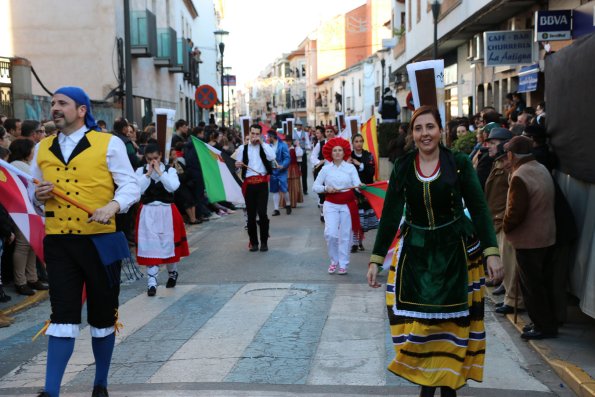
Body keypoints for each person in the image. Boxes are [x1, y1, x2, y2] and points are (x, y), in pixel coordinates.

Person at [367, 106, 503, 397]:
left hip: (455, 253)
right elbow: (391, 213)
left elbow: (478, 209)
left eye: (430, 127)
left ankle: (448, 386)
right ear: (412, 134)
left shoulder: (459, 163)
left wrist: (492, 251)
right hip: (416, 256)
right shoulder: (403, 166)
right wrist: (376, 258)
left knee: (452, 327)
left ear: (441, 131)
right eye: (418, 128)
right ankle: (427, 386)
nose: (424, 133)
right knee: (420, 329)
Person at [32, 86, 140, 397]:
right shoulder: (43, 148)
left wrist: (113, 206)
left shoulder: (109, 143)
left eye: (62, 103)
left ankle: (100, 385)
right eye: (52, 103)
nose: (55, 107)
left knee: (102, 316)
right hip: (60, 243)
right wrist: (38, 196)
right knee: (62, 314)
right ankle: (51, 391)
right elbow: (35, 194)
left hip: (100, 242)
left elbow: (130, 185)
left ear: (81, 110)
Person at [502, 136, 557, 340]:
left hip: (529, 239)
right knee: (542, 283)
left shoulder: (520, 175)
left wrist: (506, 227)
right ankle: (544, 323)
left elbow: (515, 212)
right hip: (546, 235)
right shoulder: (540, 168)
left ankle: (542, 326)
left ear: (512, 155)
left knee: (532, 286)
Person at [134, 144, 189, 297]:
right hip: (148, 211)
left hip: (167, 211)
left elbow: (173, 187)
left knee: (168, 245)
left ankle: (172, 272)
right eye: (150, 159)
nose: (153, 161)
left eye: (156, 158)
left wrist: (159, 172)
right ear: (146, 158)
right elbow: (137, 190)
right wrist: (148, 174)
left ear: (160, 157)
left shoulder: (170, 171)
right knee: (151, 246)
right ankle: (152, 283)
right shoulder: (140, 171)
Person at [483, 128, 524, 314]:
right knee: (504, 260)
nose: (489, 145)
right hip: (497, 218)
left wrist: (504, 217)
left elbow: (512, 196)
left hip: (504, 219)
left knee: (510, 262)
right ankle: (507, 293)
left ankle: (513, 299)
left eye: (493, 142)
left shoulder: (510, 167)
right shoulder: (497, 163)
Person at [313, 137, 362, 275]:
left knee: (345, 235)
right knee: (330, 234)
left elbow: (357, 185)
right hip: (330, 204)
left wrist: (361, 187)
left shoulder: (351, 168)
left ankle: (344, 263)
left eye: (340, 150)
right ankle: (334, 260)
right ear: (330, 153)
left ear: (344, 152)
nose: (338, 152)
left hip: (347, 204)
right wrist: (326, 189)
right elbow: (315, 186)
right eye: (335, 150)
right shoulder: (325, 169)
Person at [8, 139, 49, 295]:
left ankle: (32, 278)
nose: (35, 153)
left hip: (32, 210)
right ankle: (21, 281)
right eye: (33, 149)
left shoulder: (23, 165)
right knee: (23, 245)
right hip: (22, 211)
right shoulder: (18, 165)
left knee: (32, 245)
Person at [235, 124, 276, 252]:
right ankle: (254, 242)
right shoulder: (243, 148)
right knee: (251, 215)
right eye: (252, 134)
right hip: (249, 184)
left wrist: (262, 143)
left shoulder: (265, 147)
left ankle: (264, 241)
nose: (254, 136)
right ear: (249, 133)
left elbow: (272, 157)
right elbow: (237, 166)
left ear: (260, 135)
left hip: (262, 183)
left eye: (257, 134)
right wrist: (237, 164)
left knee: (262, 213)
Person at [349, 134, 378, 252]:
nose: (359, 143)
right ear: (353, 143)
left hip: (366, 191)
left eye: (361, 141)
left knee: (363, 220)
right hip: (353, 191)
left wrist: (359, 164)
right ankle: (355, 243)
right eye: (356, 141)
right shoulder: (348, 156)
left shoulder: (368, 156)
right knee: (356, 218)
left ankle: (359, 241)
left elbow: (371, 172)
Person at [311, 126, 337, 222]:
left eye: (331, 131)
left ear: (334, 133)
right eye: (327, 131)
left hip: (336, 170)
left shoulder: (338, 143)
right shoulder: (320, 144)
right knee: (322, 193)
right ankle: (323, 213)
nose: (329, 133)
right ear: (325, 133)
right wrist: (319, 162)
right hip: (323, 171)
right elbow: (313, 157)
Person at [268, 130, 291, 216]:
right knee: (274, 190)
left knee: (284, 188)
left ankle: (288, 205)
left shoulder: (283, 145)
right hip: (273, 171)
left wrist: (283, 165)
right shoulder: (268, 146)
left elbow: (287, 158)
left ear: (272, 137)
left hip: (282, 170)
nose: (267, 138)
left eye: (268, 137)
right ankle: (276, 209)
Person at [292, 120, 311, 195]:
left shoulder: (305, 133)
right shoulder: (293, 133)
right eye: (297, 125)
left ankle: (305, 189)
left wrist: (307, 148)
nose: (299, 126)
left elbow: (307, 143)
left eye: (300, 125)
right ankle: (297, 188)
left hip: (303, 153)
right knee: (295, 171)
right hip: (295, 153)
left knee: (304, 171)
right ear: (295, 126)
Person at [285, 135, 304, 208]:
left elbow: (300, 154)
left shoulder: (295, 149)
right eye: (287, 141)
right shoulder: (284, 148)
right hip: (286, 168)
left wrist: (298, 145)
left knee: (294, 185)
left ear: (291, 141)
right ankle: (286, 202)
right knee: (286, 185)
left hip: (293, 168)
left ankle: (293, 202)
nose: (288, 142)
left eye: (289, 141)